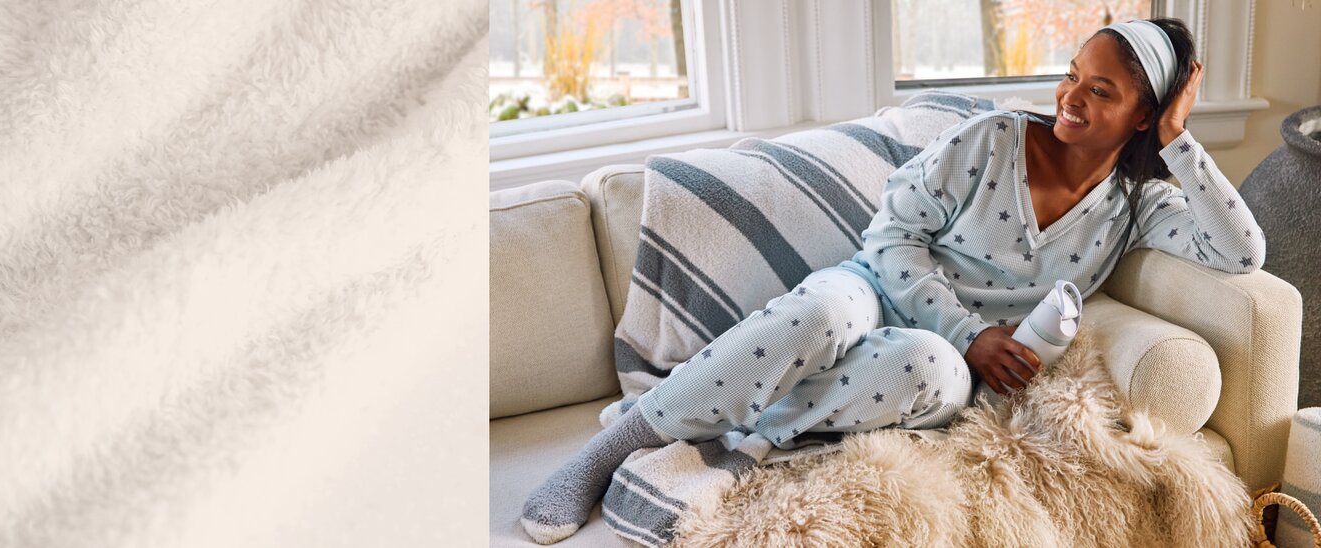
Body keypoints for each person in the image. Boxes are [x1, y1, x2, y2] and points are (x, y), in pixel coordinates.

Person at [519, 17, 1265, 545]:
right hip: (877, 288)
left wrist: (1180, 141)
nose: (1071, 97)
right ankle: (625, 439)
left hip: (936, 363)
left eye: (1102, 92)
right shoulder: (993, 139)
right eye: (1074, 74)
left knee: (931, 373)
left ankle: (736, 424)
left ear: (1145, 115)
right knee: (822, 316)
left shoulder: (1138, 206)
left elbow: (1241, 253)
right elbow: (891, 237)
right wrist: (972, 334)